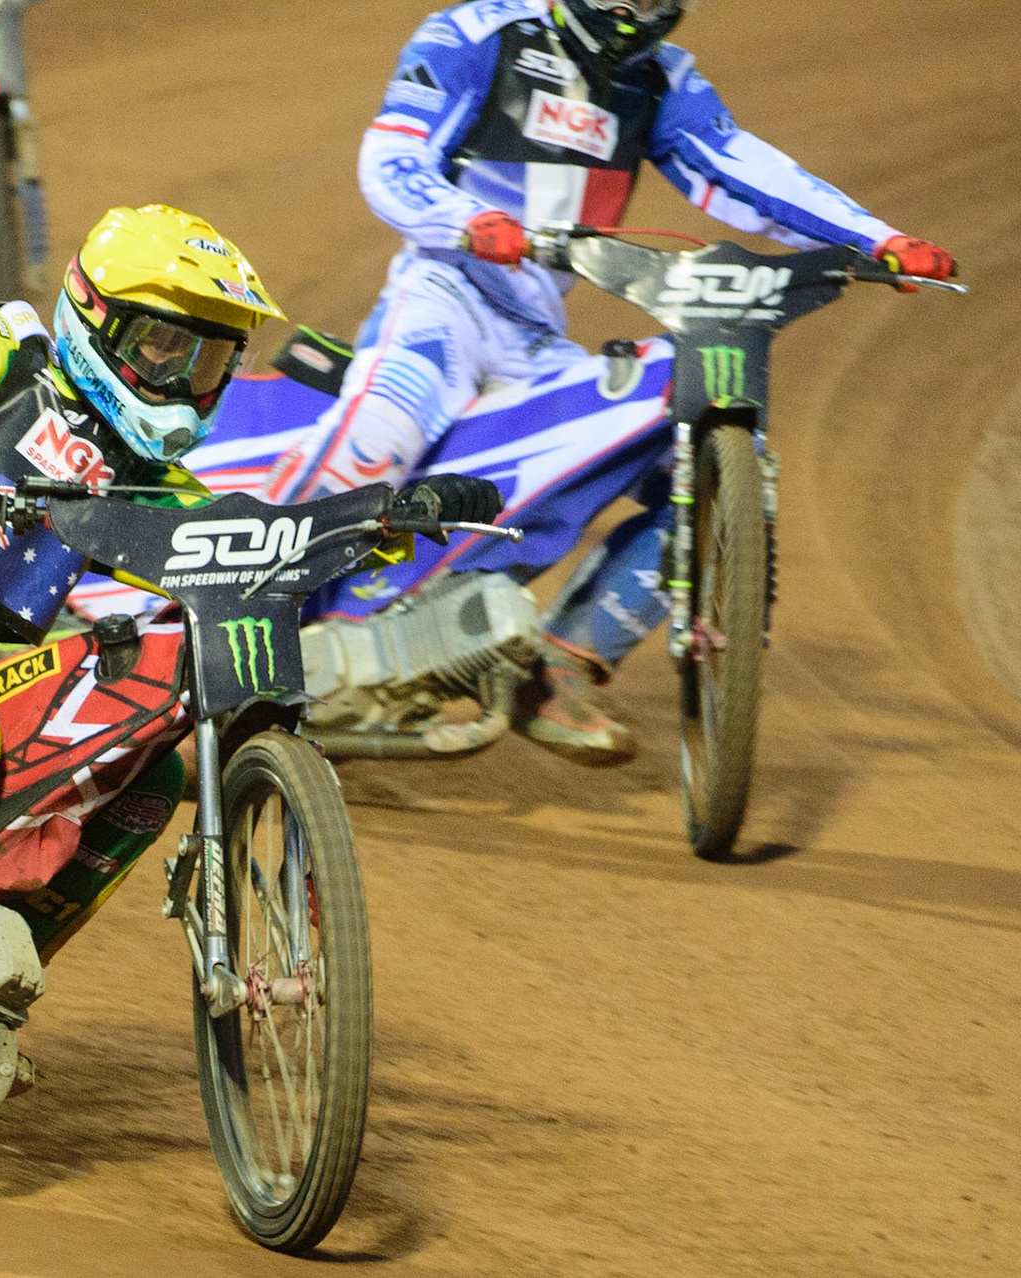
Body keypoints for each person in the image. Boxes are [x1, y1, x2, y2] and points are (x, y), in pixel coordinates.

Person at [0, 204, 500, 1101]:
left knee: (138, 770)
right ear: (95, 315)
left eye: (210, 359)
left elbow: (242, 539)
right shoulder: (1, 342)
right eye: (163, 347)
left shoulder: (144, 474)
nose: (185, 378)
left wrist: (386, 518)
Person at [260, 0, 956, 763]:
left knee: (700, 465)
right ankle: (238, 632)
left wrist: (879, 239)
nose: (632, 8)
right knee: (373, 442)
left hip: (535, 337)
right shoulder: (476, 33)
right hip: (442, 301)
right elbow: (390, 158)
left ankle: (559, 664)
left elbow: (738, 166)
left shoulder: (659, 78)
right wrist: (464, 220)